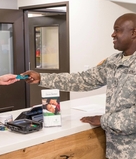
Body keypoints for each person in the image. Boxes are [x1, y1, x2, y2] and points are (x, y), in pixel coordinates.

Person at [22, 13, 136, 159]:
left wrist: (103, 120)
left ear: (133, 33)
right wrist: (42, 78)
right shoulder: (113, 62)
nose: (113, 34)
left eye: (117, 30)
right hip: (115, 152)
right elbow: (83, 79)